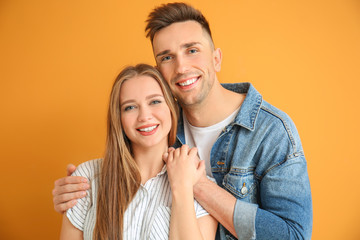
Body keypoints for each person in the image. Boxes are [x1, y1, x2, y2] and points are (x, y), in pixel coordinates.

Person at [53, 3, 312, 239]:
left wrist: (195, 185)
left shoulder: (271, 131)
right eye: (166, 57)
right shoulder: (158, 124)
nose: (181, 67)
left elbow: (294, 236)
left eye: (192, 50)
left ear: (216, 58)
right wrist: (80, 193)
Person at [59, 64, 218, 240]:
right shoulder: (87, 178)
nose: (144, 116)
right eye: (130, 107)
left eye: (155, 101)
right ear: (118, 118)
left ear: (171, 108)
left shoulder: (199, 183)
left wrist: (182, 187)